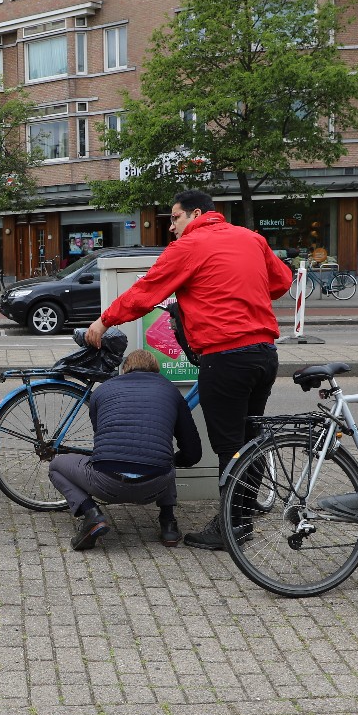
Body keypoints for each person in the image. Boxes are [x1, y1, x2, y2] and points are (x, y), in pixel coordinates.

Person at [85, 189, 293, 550]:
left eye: (175, 217)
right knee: (250, 439)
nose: (171, 226)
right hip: (264, 354)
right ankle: (241, 518)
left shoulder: (189, 246)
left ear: (196, 214)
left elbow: (145, 291)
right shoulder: (252, 238)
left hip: (225, 356)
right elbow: (282, 282)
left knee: (230, 446)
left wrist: (104, 322)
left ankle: (231, 527)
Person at [49, 346, 204, 551]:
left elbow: (100, 436)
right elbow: (193, 453)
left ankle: (91, 514)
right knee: (163, 456)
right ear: (156, 371)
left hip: (106, 485)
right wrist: (172, 462)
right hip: (154, 486)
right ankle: (168, 524)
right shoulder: (170, 391)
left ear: (124, 369)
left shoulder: (102, 390)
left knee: (56, 466)